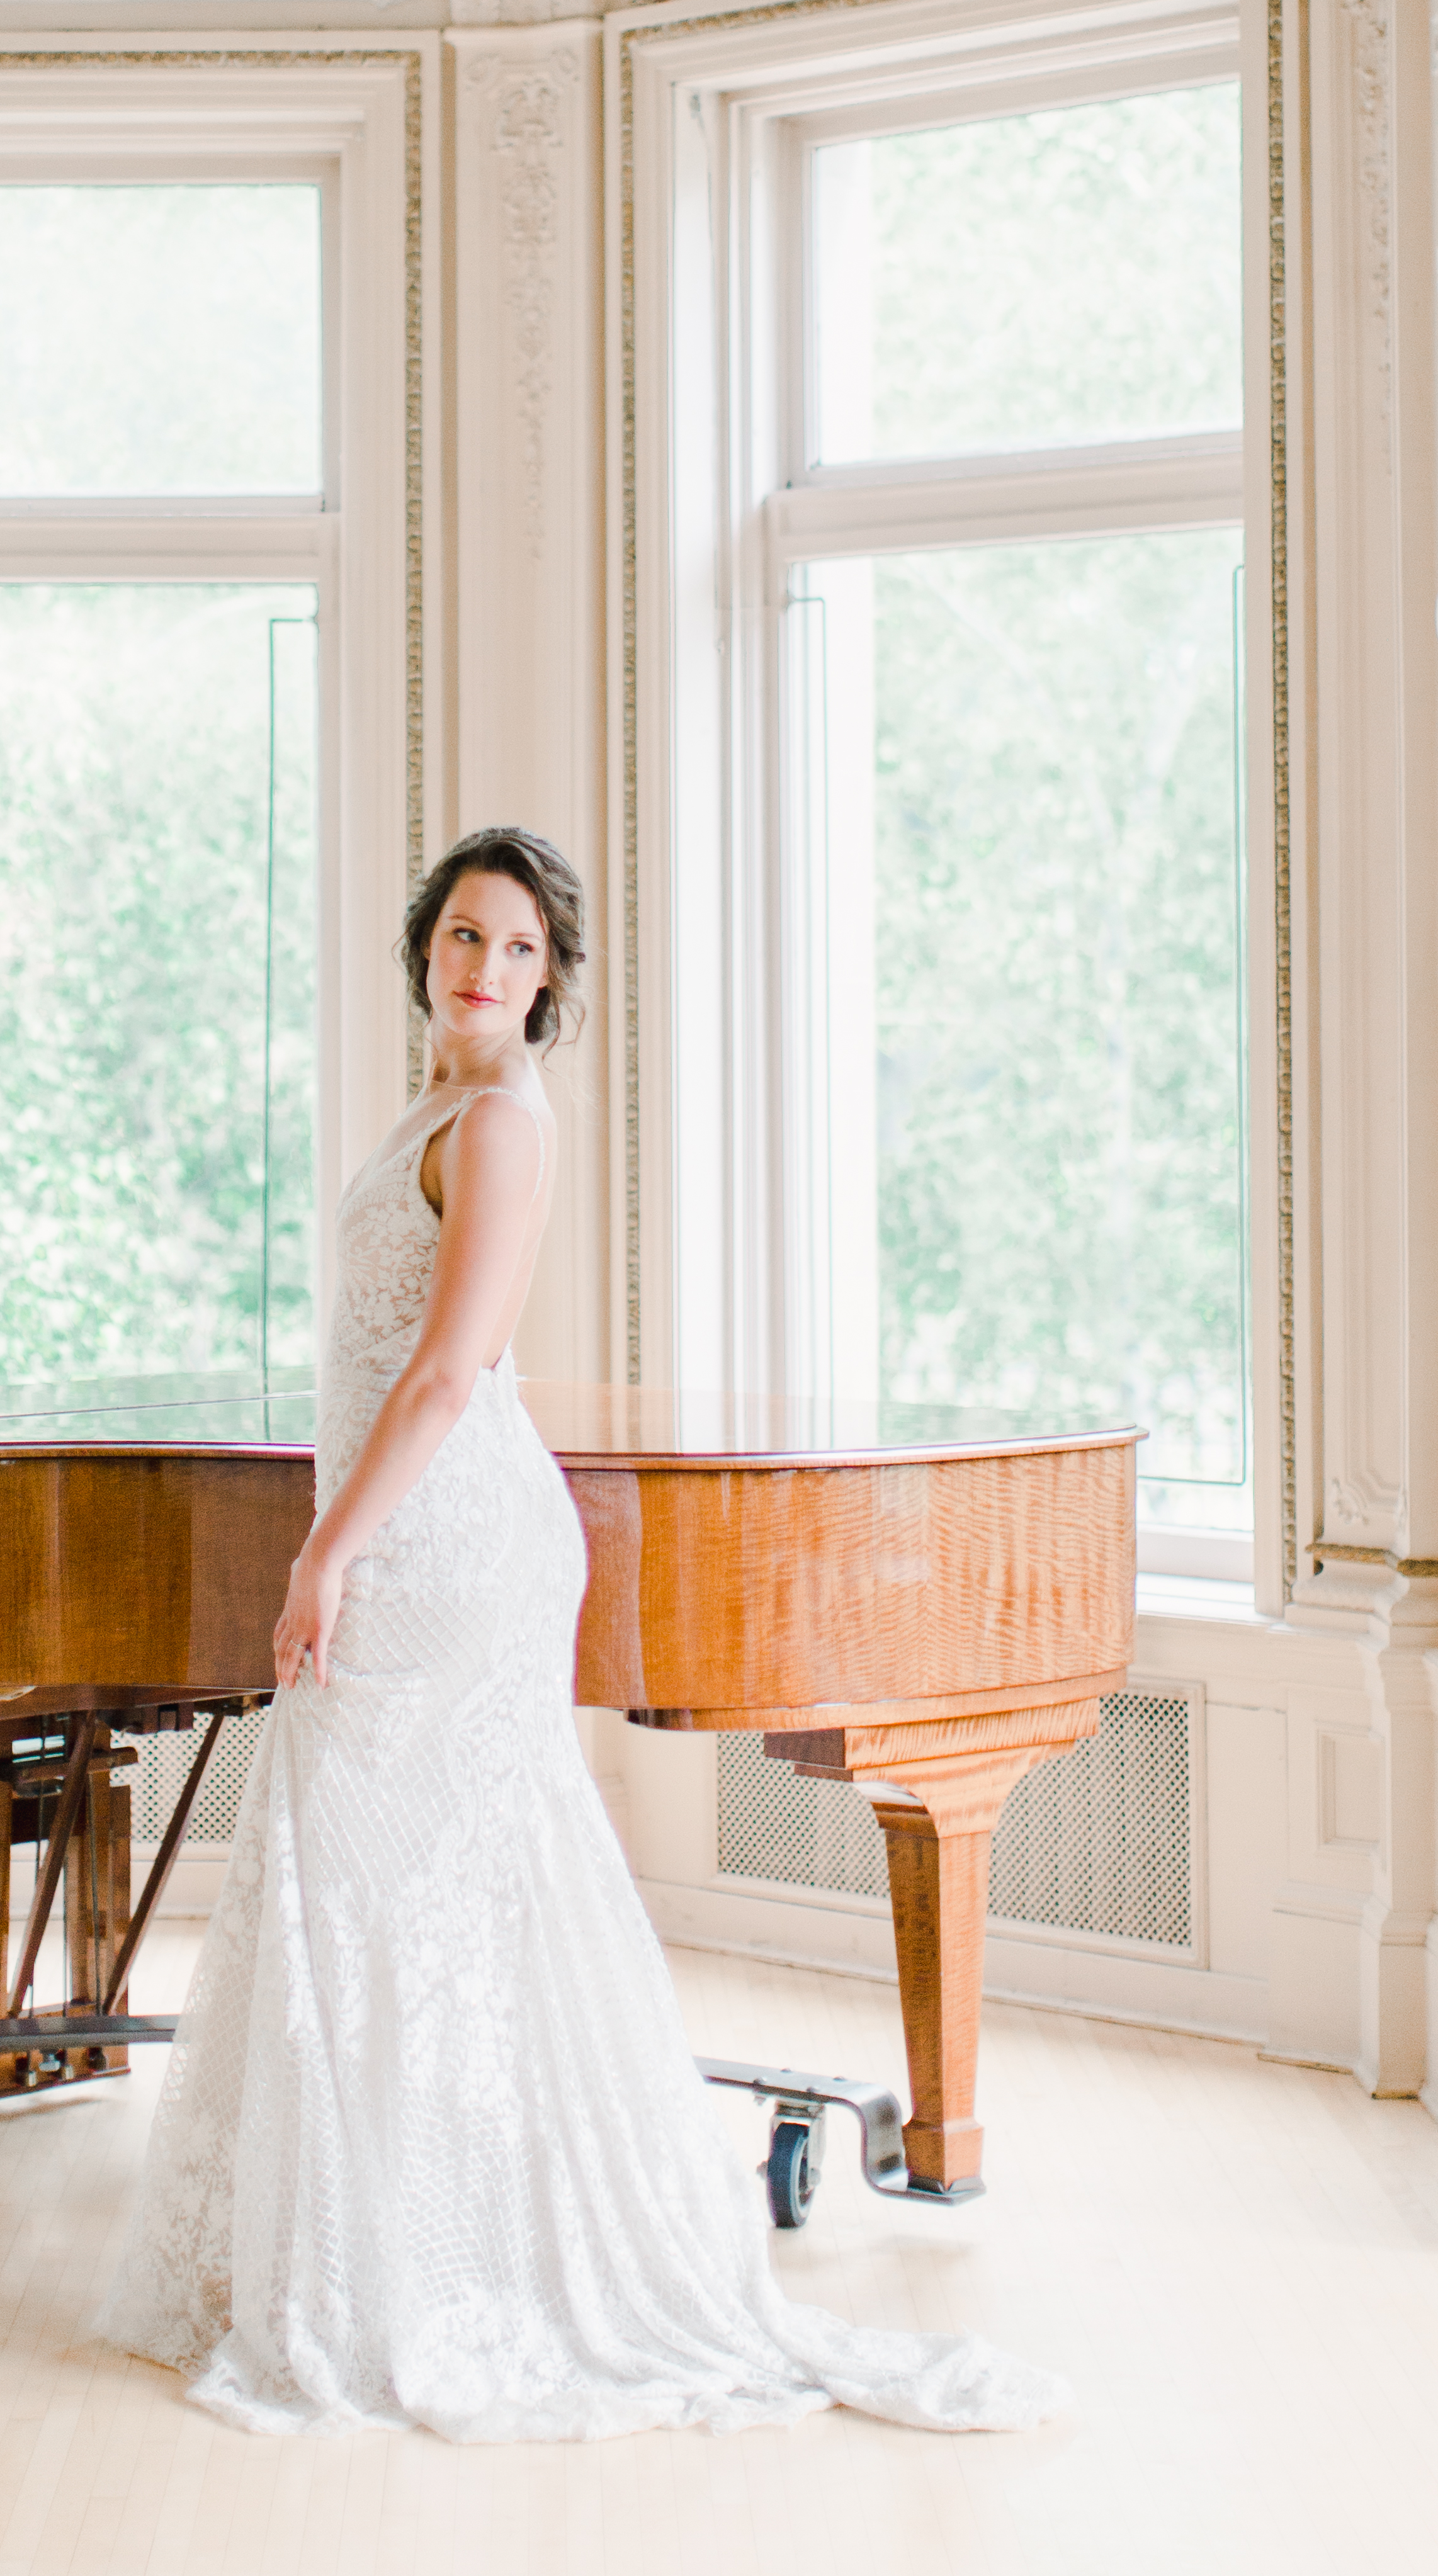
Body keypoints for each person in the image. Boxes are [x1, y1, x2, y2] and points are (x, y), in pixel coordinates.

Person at [95, 827, 1063, 2443]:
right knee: (368, 1894)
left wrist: (325, 1548)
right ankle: (369, 2251)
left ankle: (433, 2272)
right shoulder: (430, 1106)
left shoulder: (503, 1126)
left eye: (521, 949)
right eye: (466, 935)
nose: (486, 965)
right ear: (423, 948)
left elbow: (444, 1374)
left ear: (549, 984)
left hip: (442, 1548)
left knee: (402, 1888)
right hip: (407, 1528)